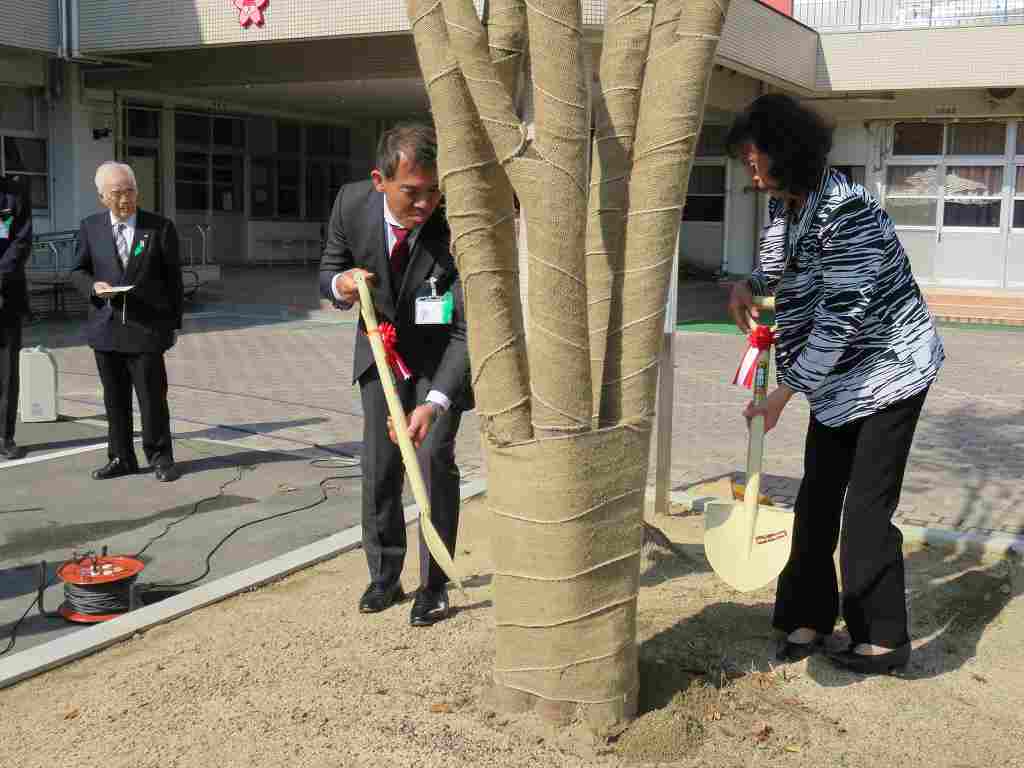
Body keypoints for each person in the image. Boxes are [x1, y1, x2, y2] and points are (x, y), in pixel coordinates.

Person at [725, 94, 944, 674]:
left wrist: (782, 392)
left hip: (891, 370)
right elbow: (775, 261)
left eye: (755, 155)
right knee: (817, 498)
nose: (749, 166)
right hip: (840, 381)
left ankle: (883, 638)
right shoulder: (791, 206)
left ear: (786, 151)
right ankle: (807, 617)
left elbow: (840, 319)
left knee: (866, 509)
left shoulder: (848, 213)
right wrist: (746, 285)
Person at [319, 123, 471, 627]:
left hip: (438, 362)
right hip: (381, 358)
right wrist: (341, 283)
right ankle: (384, 575)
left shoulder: (456, 224)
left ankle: (434, 584)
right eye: (411, 192)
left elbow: (467, 329)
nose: (425, 203)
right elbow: (328, 270)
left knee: (431, 462)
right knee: (381, 466)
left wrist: (438, 401)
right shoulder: (350, 205)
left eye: (433, 191)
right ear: (380, 181)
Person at [71, 161, 183, 483]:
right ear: (102, 197)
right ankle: (121, 457)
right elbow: (77, 270)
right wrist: (94, 287)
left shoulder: (159, 227)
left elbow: (173, 281)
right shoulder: (91, 227)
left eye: (130, 191)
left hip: (146, 328)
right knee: (114, 399)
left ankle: (160, 457)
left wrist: (172, 325)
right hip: (105, 328)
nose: (125, 199)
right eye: (117, 193)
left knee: (151, 398)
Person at [0, 173, 31, 460]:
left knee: (7, 372)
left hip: (6, 296)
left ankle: (4, 436)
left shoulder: (13, 194)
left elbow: (20, 241)